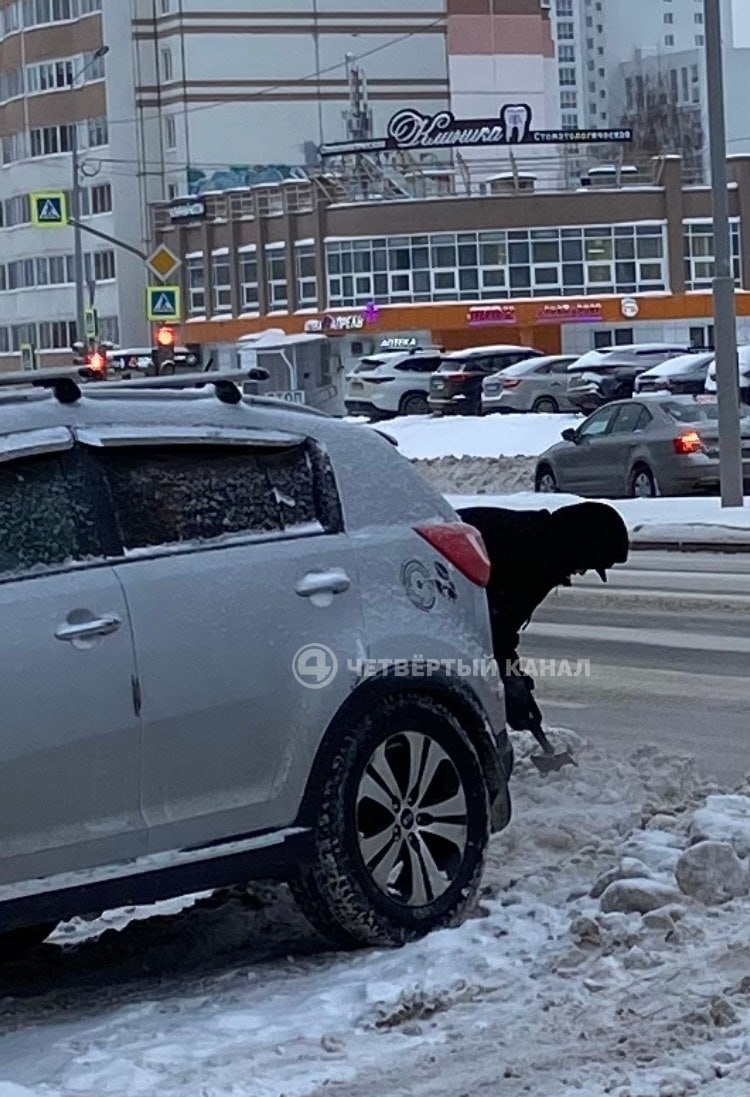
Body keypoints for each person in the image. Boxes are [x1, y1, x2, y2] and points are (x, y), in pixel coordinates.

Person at [457, 501, 629, 748]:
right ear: (580, 548)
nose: (581, 572)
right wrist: (511, 682)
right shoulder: (533, 557)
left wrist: (512, 678)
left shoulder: (542, 540)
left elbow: (500, 624)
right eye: (588, 565)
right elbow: (493, 625)